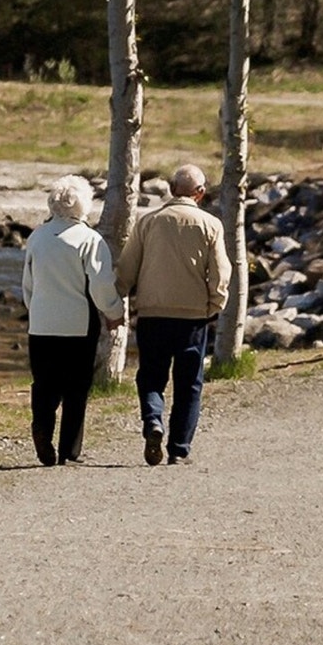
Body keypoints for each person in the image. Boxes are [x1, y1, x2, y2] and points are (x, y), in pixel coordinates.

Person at [115, 163, 231, 466]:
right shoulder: (210, 224)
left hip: (153, 312)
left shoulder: (148, 221)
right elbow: (220, 272)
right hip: (193, 315)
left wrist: (117, 298)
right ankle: (179, 447)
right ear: (201, 193)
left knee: (152, 375)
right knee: (189, 383)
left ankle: (153, 419)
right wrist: (214, 305)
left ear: (170, 189)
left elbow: (127, 267)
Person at [21, 175, 125, 466]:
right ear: (83, 205)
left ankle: (41, 426)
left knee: (44, 383)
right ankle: (69, 449)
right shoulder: (90, 240)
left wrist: (35, 309)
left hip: (40, 323)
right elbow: (101, 286)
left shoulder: (37, 237)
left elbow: (28, 284)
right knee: (76, 387)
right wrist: (115, 313)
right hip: (78, 324)